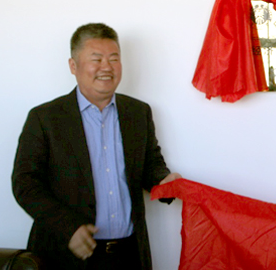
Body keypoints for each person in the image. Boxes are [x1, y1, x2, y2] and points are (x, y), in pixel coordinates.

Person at [12, 23, 181, 270]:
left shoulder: (138, 112)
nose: (107, 67)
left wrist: (164, 181)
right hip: (67, 255)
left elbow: (150, 165)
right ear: (73, 66)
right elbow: (25, 184)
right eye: (96, 59)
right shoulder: (45, 118)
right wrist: (68, 227)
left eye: (114, 58)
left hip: (129, 254)